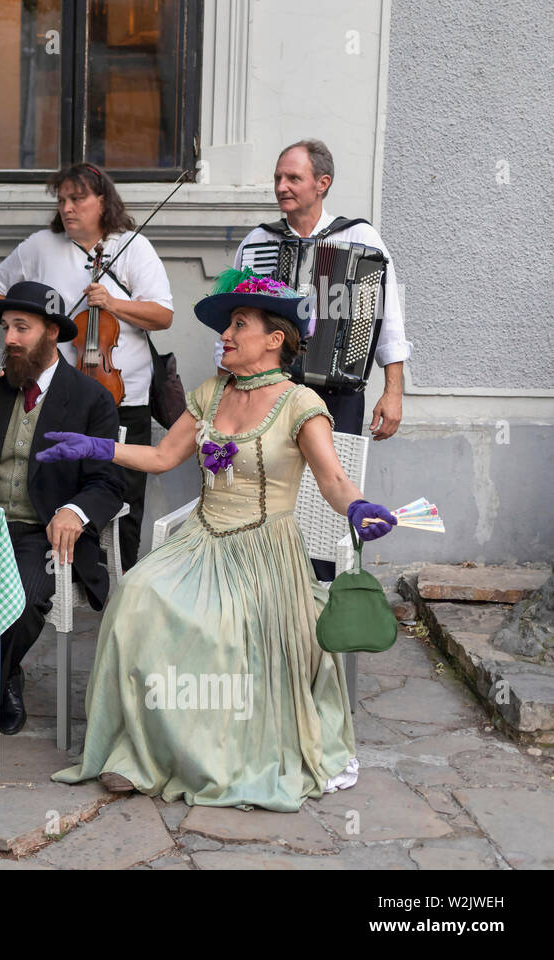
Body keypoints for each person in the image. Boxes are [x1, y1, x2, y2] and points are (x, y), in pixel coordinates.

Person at [44, 269, 397, 811]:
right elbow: (163, 459)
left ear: (275, 339)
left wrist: (357, 507)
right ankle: (143, 752)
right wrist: (96, 448)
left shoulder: (301, 403)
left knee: (221, 630)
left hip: (264, 553)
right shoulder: (210, 393)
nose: (226, 335)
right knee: (136, 597)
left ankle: (209, 755)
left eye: (239, 325)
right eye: (227, 325)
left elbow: (332, 478)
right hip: (201, 540)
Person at [0, 281, 125, 741]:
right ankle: (2, 681)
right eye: (6, 328)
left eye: (22, 327)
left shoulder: (91, 397)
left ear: (52, 333)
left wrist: (75, 511)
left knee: (19, 604)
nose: (10, 338)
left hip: (43, 530)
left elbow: (110, 480)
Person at [224, 139, 412, 580]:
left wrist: (393, 391)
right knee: (266, 485)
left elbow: (389, 320)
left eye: (293, 178)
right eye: (278, 178)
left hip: (337, 393)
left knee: (327, 496)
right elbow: (233, 320)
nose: (282, 187)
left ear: (322, 184)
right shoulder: (258, 245)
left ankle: (320, 586)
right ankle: (265, 576)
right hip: (269, 390)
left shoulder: (360, 238)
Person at [0, 163, 173, 571]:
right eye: (62, 200)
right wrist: (27, 324)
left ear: (103, 201)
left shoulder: (133, 246)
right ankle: (65, 569)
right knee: (59, 482)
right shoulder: (40, 245)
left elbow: (162, 315)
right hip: (62, 393)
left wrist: (113, 304)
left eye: (78, 199)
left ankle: (118, 579)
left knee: (123, 489)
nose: (68, 208)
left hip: (124, 390)